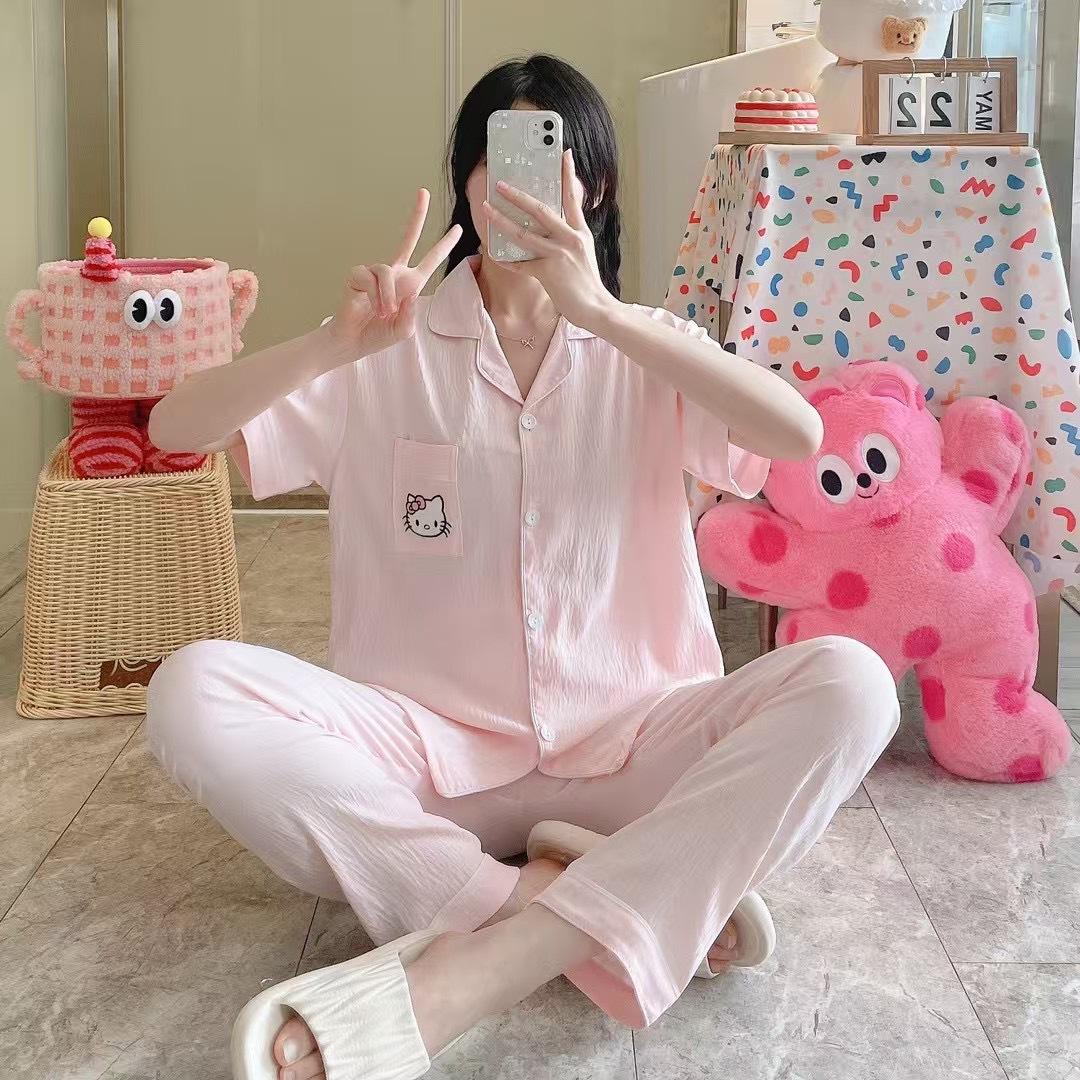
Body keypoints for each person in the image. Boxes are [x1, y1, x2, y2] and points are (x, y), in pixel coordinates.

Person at [147, 54, 899, 1080]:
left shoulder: (649, 346)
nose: (521, 188)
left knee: (854, 684)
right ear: (464, 182)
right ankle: (571, 901)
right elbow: (176, 428)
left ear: (596, 187)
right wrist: (330, 345)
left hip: (633, 748)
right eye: (494, 162)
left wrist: (604, 317)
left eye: (551, 161)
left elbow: (797, 435)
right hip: (425, 760)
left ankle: (485, 963)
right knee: (191, 690)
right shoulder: (385, 346)